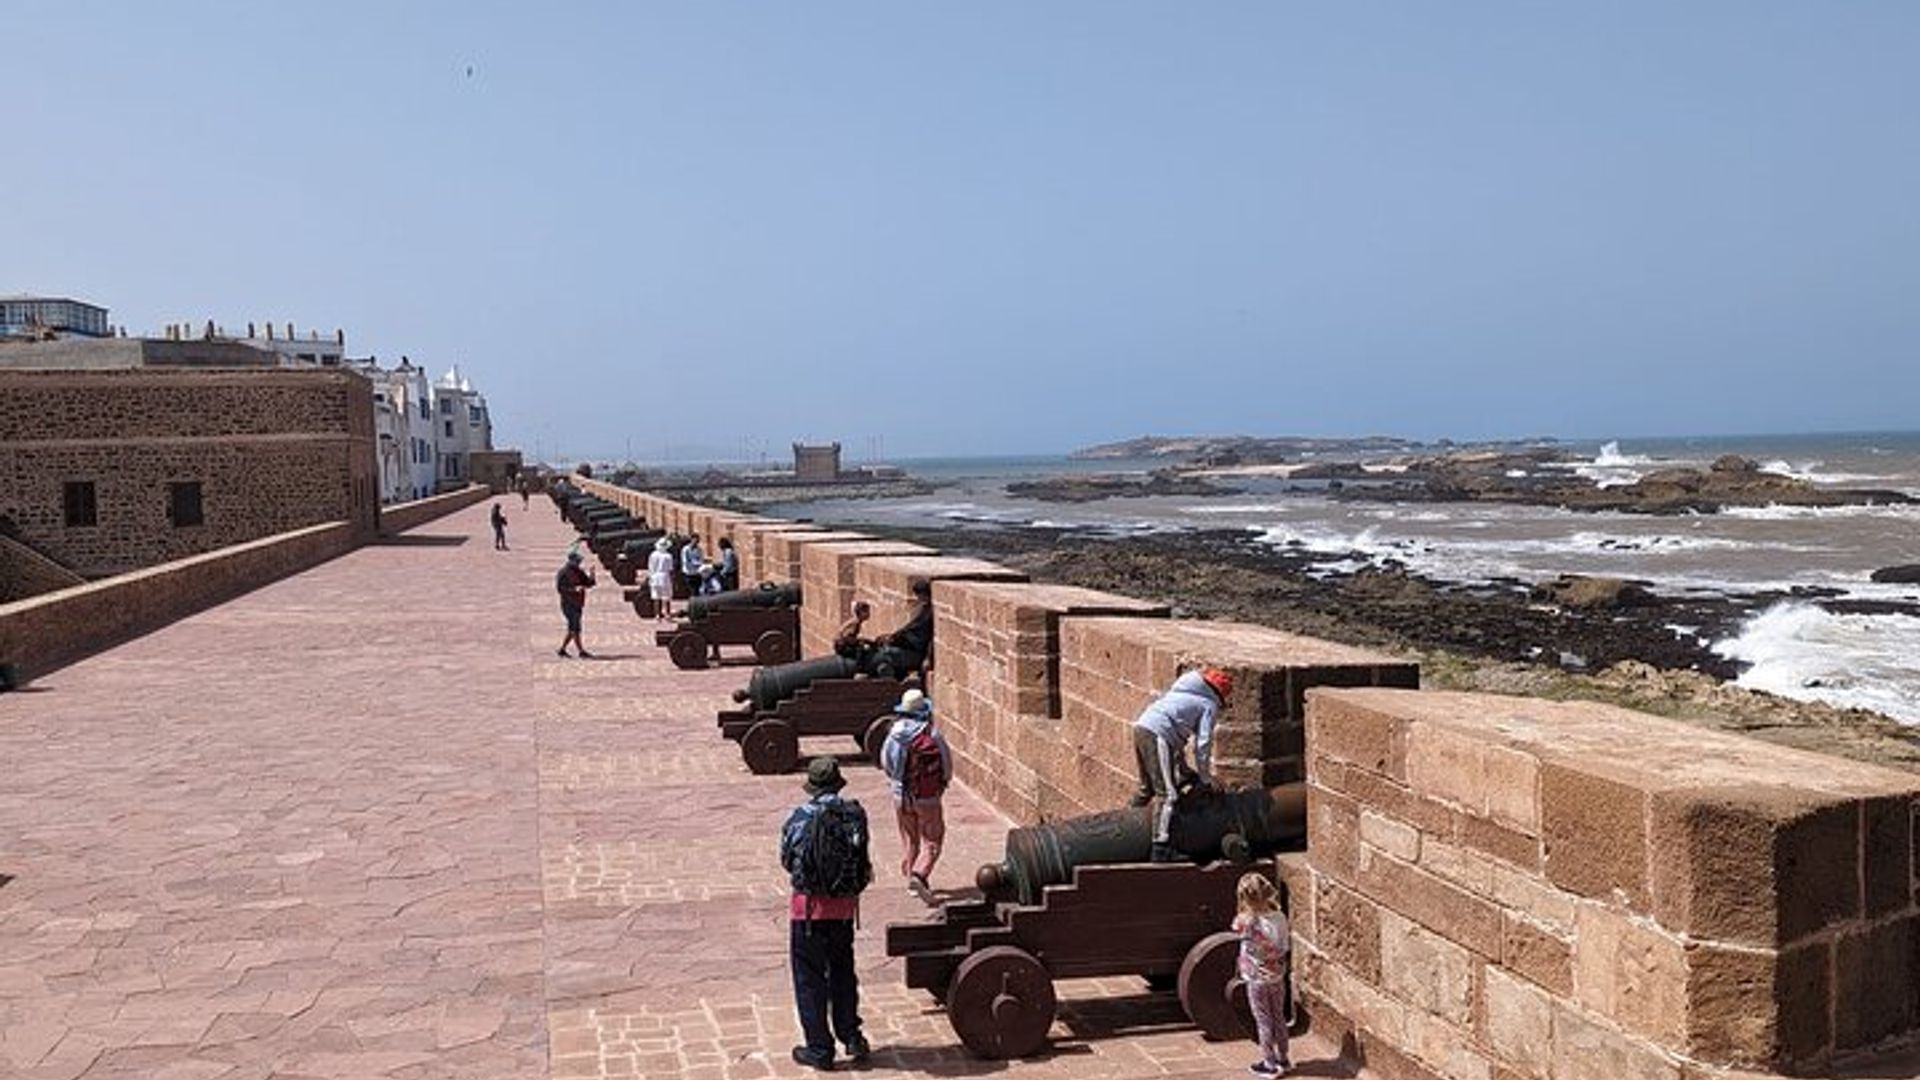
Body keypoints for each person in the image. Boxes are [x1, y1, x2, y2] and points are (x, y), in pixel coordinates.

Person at [780, 758, 873, 1072]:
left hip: (808, 911)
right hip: (844, 909)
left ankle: (819, 1048)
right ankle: (851, 1035)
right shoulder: (854, 815)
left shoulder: (800, 817)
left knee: (809, 978)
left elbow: (786, 858)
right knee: (843, 971)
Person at [1130, 667, 1233, 861]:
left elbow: (1176, 737)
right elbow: (1203, 743)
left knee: (1146, 788)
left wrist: (1185, 771)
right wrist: (1205, 776)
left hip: (1142, 728)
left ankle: (1129, 820)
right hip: (1158, 734)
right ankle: (1161, 849)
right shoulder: (1208, 703)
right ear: (1219, 696)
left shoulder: (1182, 692)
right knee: (1168, 794)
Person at [879, 688, 951, 897]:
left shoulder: (893, 734)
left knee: (910, 839)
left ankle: (911, 876)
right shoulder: (931, 733)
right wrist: (942, 784)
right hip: (927, 796)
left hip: (901, 796)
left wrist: (897, 782)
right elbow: (946, 764)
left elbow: (886, 763)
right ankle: (919, 876)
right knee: (932, 840)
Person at [1234, 872, 1292, 1076]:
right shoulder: (1280, 917)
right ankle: (1283, 1058)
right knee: (1278, 1016)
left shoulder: (1248, 922)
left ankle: (1269, 1063)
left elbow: (1237, 929)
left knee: (1263, 1020)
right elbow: (1284, 945)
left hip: (1256, 978)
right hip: (1277, 974)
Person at [864, 579, 933, 676]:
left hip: (915, 652)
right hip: (907, 646)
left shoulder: (928, 614)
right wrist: (892, 637)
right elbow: (908, 629)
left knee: (885, 654)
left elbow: (929, 637)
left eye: (920, 595)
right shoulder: (923, 610)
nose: (919, 599)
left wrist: (927, 658)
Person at [555, 549, 596, 658]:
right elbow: (560, 588)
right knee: (575, 627)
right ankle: (580, 651)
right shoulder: (563, 572)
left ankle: (562, 649)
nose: (579, 563)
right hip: (568, 604)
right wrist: (574, 589)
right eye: (577, 561)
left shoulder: (578, 571)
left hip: (578, 603)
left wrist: (592, 575)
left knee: (573, 628)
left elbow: (589, 583)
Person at [646, 537, 677, 621]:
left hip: (655, 576)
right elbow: (670, 570)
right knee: (667, 597)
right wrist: (673, 580)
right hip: (664, 576)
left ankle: (657, 614)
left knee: (656, 597)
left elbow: (650, 567)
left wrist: (650, 577)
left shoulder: (653, 555)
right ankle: (667, 614)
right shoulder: (668, 556)